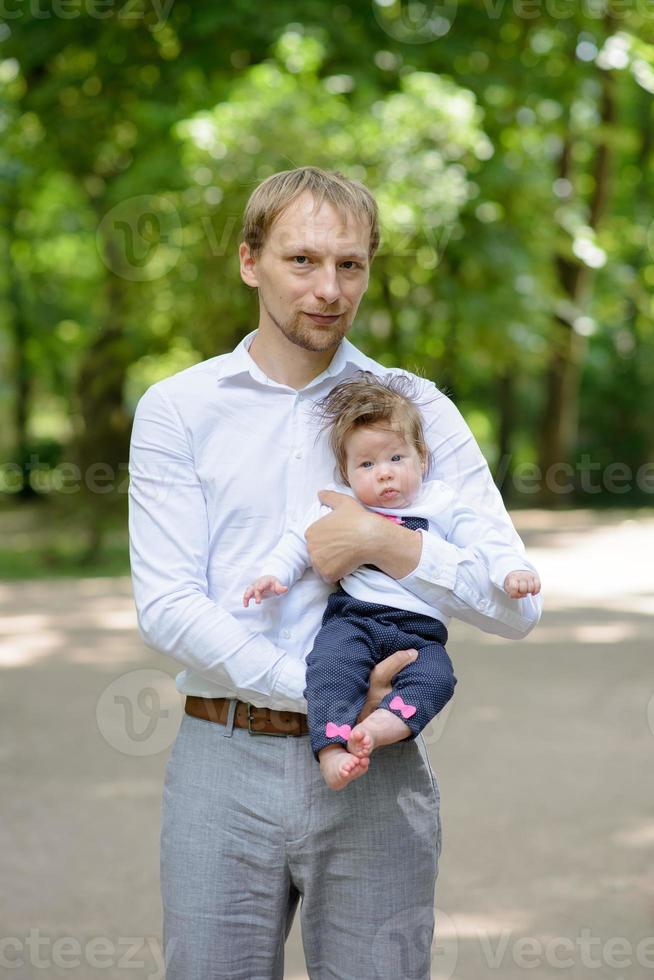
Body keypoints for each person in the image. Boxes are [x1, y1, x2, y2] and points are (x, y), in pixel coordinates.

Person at [128, 166, 542, 979]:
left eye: (350, 265)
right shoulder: (180, 409)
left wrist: (386, 544)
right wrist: (324, 695)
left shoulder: (415, 409)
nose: (328, 289)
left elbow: (515, 607)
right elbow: (168, 606)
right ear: (250, 261)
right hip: (224, 759)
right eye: (302, 261)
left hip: (379, 779)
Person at [243, 371, 541, 791]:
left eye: (395, 459)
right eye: (366, 464)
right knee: (329, 667)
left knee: (438, 678)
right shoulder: (340, 503)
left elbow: (485, 538)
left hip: (419, 633)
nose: (383, 474)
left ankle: (381, 727)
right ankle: (330, 750)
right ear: (346, 472)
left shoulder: (440, 503)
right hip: (355, 618)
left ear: (421, 457)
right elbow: (299, 539)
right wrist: (274, 574)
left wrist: (511, 571)